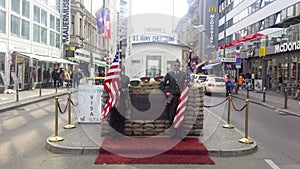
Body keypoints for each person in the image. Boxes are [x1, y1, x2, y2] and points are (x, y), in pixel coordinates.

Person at [159, 59, 186, 139]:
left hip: (181, 98)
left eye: (178, 65)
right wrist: (166, 92)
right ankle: (173, 133)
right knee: (172, 115)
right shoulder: (169, 74)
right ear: (172, 66)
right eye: (175, 65)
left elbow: (187, 85)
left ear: (180, 66)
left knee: (181, 115)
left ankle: (180, 134)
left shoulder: (183, 74)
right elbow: (161, 84)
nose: (176, 66)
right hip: (172, 97)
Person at [109, 66, 130, 140]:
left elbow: (127, 88)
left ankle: (120, 134)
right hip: (114, 100)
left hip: (122, 100)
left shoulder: (126, 78)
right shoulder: (112, 78)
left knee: (121, 117)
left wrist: (122, 90)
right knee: (113, 117)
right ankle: (113, 134)